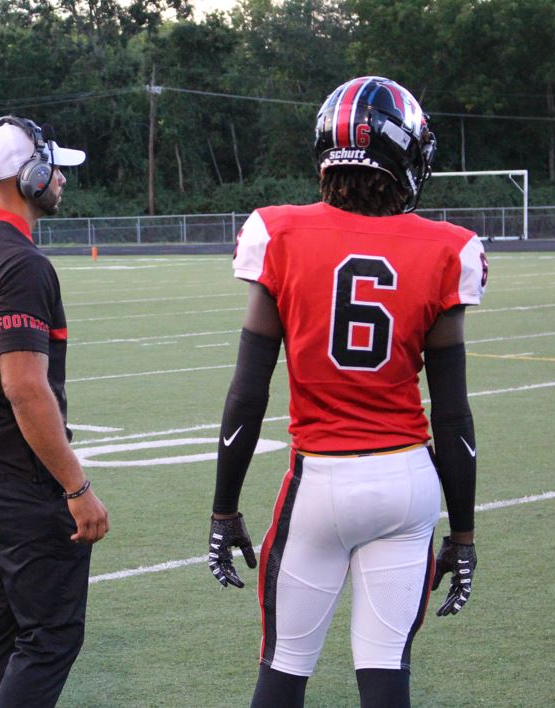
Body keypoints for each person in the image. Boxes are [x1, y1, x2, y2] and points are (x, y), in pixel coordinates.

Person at [207, 76, 487, 707]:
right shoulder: (447, 249)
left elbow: (247, 396)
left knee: (283, 670)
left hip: (320, 482)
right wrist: (463, 535)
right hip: (406, 482)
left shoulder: (279, 233)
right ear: (403, 154)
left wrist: (224, 508)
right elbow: (453, 414)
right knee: (386, 671)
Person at [0, 115, 109, 708]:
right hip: (14, 472)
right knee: (51, 634)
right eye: (55, 167)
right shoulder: (21, 262)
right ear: (30, 174)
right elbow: (25, 389)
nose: (62, 180)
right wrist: (76, 486)